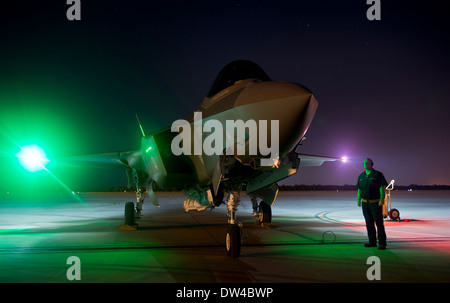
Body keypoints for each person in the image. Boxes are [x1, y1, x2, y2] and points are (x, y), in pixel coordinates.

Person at [356, 158, 388, 250]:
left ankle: (382, 243)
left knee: (379, 223)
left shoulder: (378, 175)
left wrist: (382, 199)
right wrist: (358, 199)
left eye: (367, 162)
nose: (365, 164)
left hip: (375, 203)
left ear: (371, 164)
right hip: (365, 203)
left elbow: (382, 187)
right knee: (369, 223)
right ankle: (372, 241)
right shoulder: (361, 176)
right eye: (364, 163)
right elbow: (359, 189)